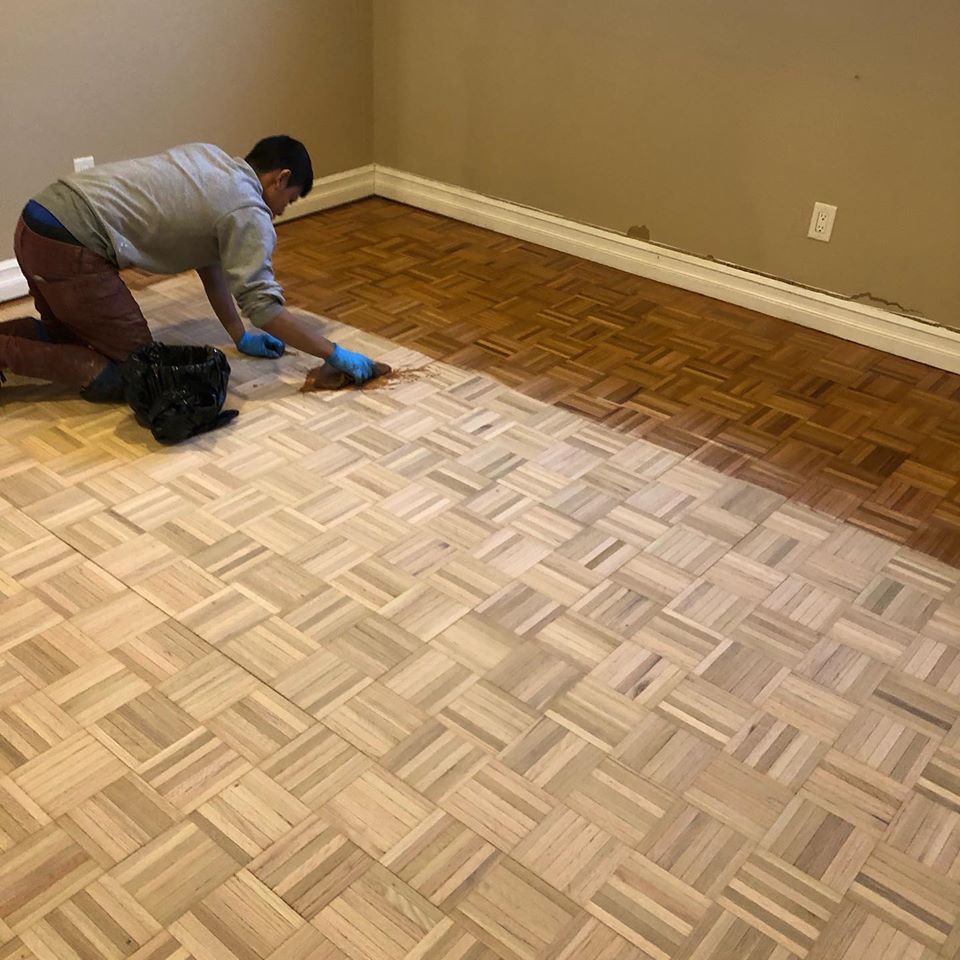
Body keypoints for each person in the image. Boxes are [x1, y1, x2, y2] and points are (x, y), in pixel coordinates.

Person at [0, 136, 383, 400]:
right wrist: (333, 354)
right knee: (141, 376)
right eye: (290, 199)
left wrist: (238, 335)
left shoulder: (211, 159)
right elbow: (264, 308)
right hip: (70, 246)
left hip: (36, 223)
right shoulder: (247, 209)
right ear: (279, 178)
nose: (282, 210)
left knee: (64, 334)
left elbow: (208, 262)